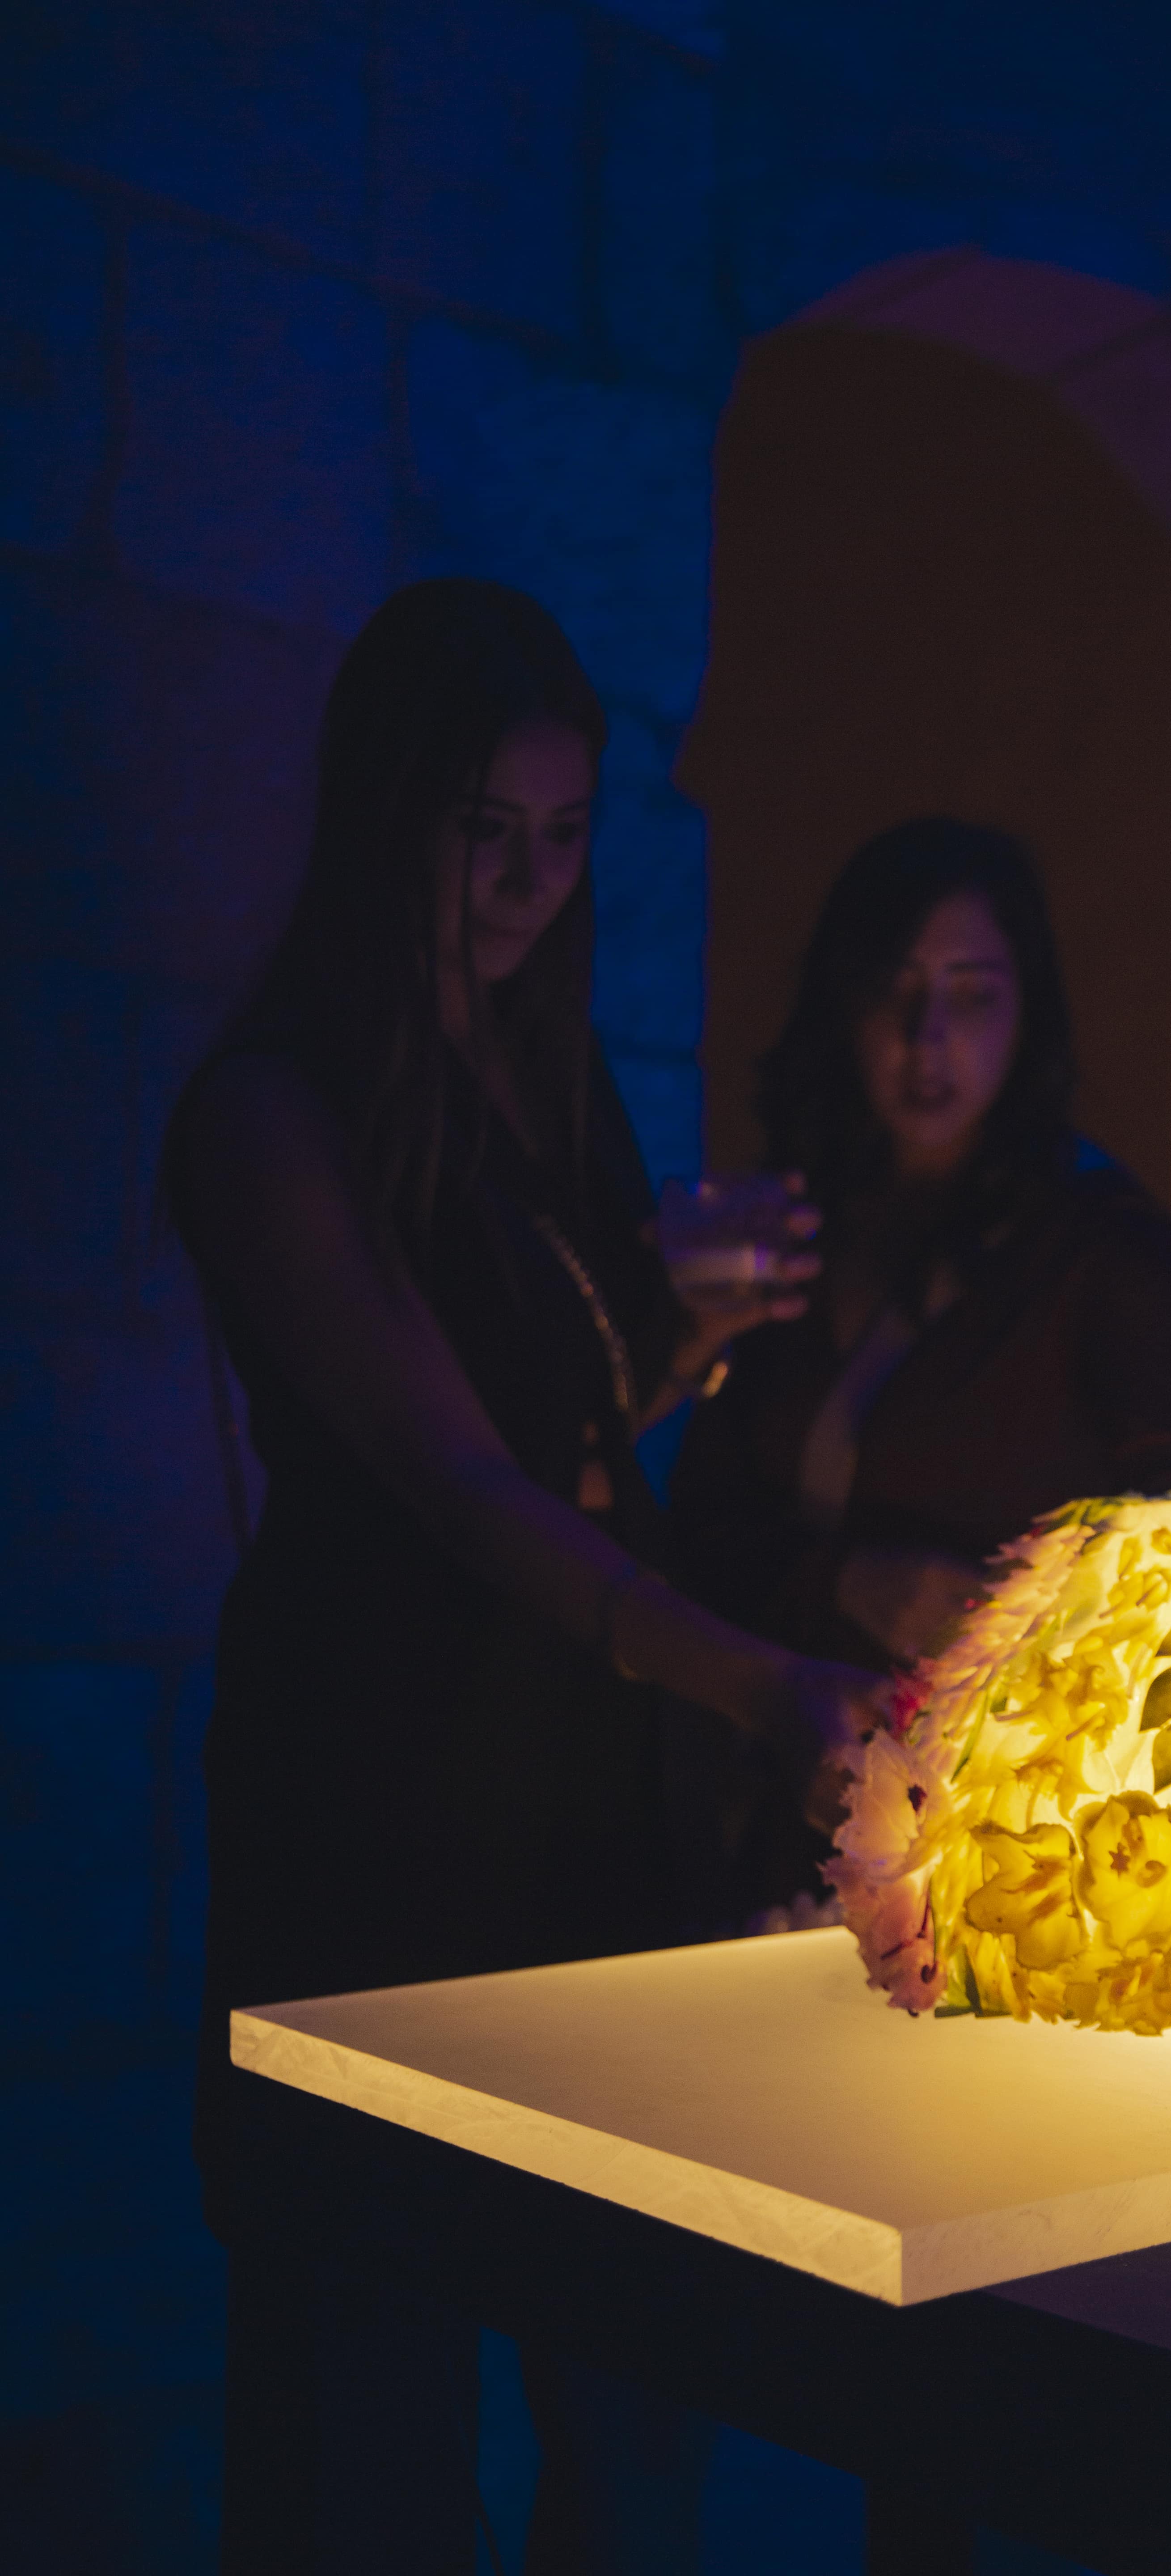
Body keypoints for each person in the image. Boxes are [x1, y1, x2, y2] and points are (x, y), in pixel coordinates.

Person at [164, 579, 875, 2572]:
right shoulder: (273, 1111)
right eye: (484, 831)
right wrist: (754, 1680)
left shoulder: (541, 1076)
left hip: (571, 1793)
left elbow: (560, 1432)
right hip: (378, 1797)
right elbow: (452, 1480)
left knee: (626, 2380)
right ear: (386, 811)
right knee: (365, 2421)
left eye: (562, 838)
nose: (524, 886)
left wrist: (687, 1334)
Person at [672, 816, 1171, 1919]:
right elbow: (703, 1523)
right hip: (786, 1817)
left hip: (1009, 1838)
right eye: (896, 992)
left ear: (1028, 1013)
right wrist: (843, 1582)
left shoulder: (1098, 1250)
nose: (927, 1039)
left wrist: (1008, 1618)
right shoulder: (794, 1227)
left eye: (972, 996)